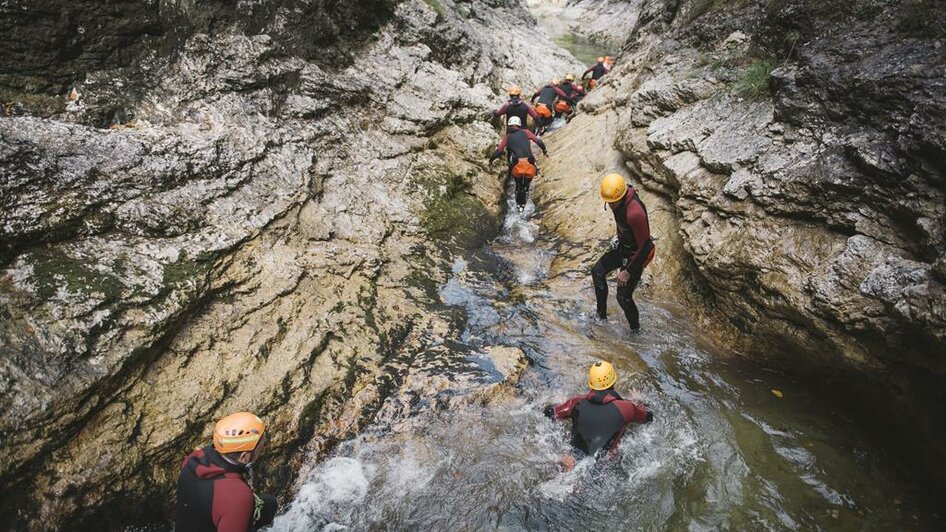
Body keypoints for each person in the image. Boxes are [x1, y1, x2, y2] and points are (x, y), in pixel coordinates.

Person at [176, 412, 278, 532]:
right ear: (244, 457)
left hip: (194, 519)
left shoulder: (192, 460)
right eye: (260, 447)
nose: (261, 449)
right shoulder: (238, 496)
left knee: (269, 505)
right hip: (225, 511)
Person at [544, 361, 653, 461]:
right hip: (604, 469)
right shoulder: (626, 408)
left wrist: (558, 402)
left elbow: (549, 413)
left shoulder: (575, 403)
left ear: (590, 382)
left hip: (574, 460)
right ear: (614, 381)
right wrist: (640, 401)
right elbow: (648, 417)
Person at [592, 173, 655, 332]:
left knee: (623, 297)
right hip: (624, 247)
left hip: (637, 255)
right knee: (597, 272)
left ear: (621, 196)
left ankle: (636, 330)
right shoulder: (618, 201)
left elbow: (646, 246)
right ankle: (601, 316)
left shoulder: (634, 213)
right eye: (608, 201)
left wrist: (627, 271)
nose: (610, 204)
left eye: (613, 202)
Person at [488, 116, 547, 212]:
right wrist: (544, 151)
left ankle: (518, 206)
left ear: (509, 126)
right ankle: (524, 204)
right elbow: (539, 141)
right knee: (526, 185)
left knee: (518, 185)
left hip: (517, 165)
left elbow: (499, 151)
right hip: (529, 163)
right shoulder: (526, 132)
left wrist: (491, 161)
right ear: (519, 125)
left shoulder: (507, 137)